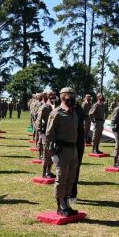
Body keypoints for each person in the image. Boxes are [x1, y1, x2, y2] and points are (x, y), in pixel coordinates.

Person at [45, 87, 80, 216]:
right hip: (62, 151)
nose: (72, 98)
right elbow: (49, 135)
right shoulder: (57, 113)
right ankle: (60, 205)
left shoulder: (73, 112)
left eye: (73, 96)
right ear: (62, 97)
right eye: (69, 96)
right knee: (61, 178)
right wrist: (52, 153)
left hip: (73, 149)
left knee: (71, 178)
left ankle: (67, 202)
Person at [36, 91, 56, 178]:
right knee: (46, 153)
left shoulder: (55, 106)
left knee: (52, 152)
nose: (52, 97)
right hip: (46, 133)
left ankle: (49, 171)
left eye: (54, 95)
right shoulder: (44, 107)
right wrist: (41, 133)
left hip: (54, 133)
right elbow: (38, 120)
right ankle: (44, 172)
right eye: (50, 95)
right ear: (46, 96)